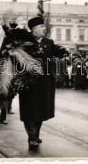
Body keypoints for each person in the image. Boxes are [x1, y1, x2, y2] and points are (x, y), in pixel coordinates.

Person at [19, 16, 68, 151]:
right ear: (34, 30)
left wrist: (64, 51)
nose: (44, 28)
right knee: (29, 111)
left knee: (40, 111)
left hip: (44, 83)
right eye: (41, 27)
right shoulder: (24, 42)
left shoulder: (48, 42)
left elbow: (56, 51)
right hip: (28, 83)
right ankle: (32, 137)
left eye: (44, 26)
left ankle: (35, 135)